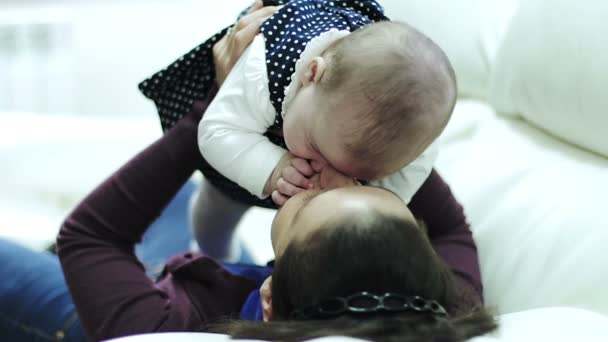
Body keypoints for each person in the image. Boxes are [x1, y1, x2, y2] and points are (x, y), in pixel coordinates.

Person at [0, 4, 491, 341]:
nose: (332, 175)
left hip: (106, 307)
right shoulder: (439, 308)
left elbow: (90, 234)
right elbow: (449, 228)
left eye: (313, 200)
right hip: (205, 268)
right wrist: (378, 130)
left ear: (271, 298)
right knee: (175, 204)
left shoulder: (165, 327)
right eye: (368, 186)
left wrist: (222, 99)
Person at [140, 0, 457, 262]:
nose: (319, 167)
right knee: (214, 217)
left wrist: (371, 197)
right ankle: (217, 257)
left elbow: (399, 191)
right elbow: (216, 130)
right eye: (316, 147)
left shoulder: (412, 141)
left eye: (352, 169)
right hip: (242, 147)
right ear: (311, 74)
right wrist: (275, 168)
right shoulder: (267, 63)